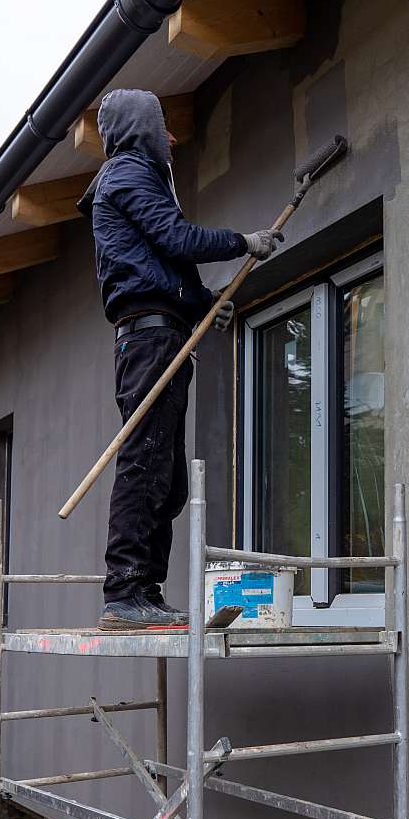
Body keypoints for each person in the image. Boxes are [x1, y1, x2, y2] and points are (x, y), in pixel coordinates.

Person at [77, 88, 278, 631]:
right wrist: (242, 242)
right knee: (145, 462)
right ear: (140, 128)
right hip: (147, 340)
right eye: (161, 126)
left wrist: (206, 306)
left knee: (166, 477)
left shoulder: (136, 179)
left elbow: (165, 264)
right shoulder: (127, 175)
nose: (171, 138)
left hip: (161, 333)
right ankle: (123, 592)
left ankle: (146, 590)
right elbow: (177, 238)